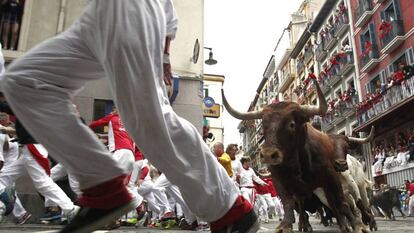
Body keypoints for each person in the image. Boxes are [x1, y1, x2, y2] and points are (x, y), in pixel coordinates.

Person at [0, 1, 259, 232]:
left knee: (149, 118)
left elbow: (168, 13)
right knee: (24, 81)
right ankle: (103, 185)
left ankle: (230, 211)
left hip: (128, 6)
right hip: (97, 14)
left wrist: (165, 55)